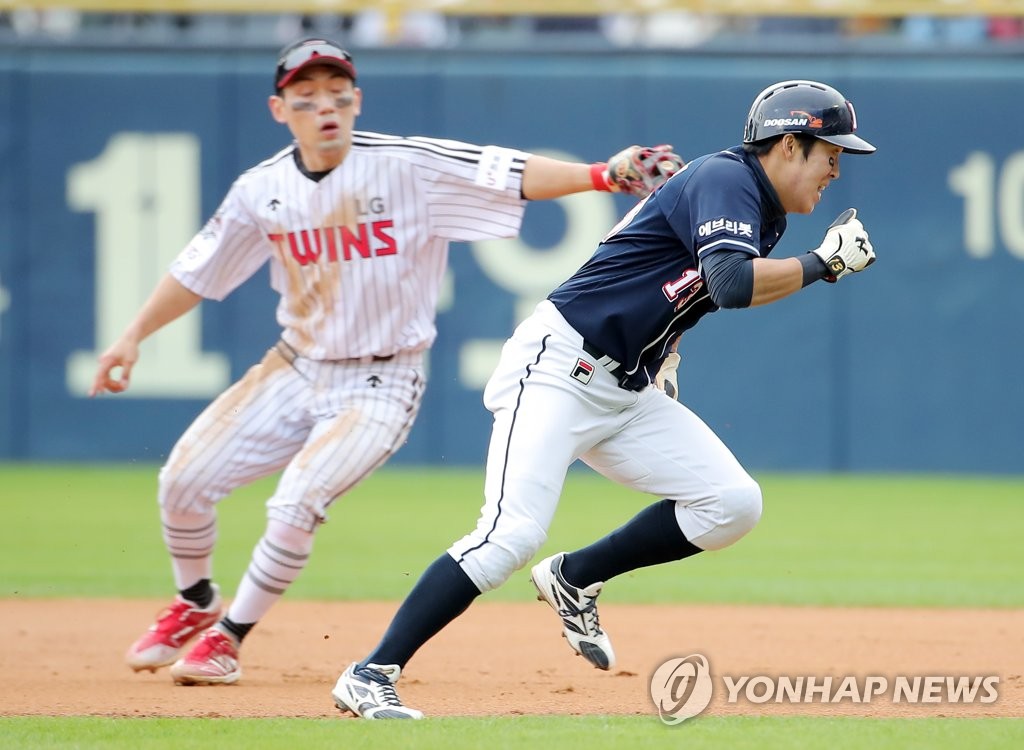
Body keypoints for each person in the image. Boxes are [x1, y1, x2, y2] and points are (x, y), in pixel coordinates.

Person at [89, 36, 681, 686]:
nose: (325, 108)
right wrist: (131, 337)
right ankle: (196, 599)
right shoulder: (261, 189)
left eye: (338, 96)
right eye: (306, 97)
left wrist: (604, 174)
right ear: (278, 109)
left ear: (357, 101)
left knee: (295, 503)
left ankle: (230, 637)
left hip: (382, 378)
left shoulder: (404, 165)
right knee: (181, 482)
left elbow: (506, 172)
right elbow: (197, 270)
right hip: (292, 365)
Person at [330, 79, 877, 719]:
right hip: (558, 367)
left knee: (732, 503)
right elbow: (729, 284)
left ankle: (575, 575)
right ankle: (371, 672)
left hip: (624, 387)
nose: (837, 167)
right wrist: (824, 265)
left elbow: (682, 289)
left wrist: (667, 356)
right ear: (788, 144)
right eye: (829, 151)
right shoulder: (729, 178)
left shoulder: (760, 205)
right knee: (509, 535)